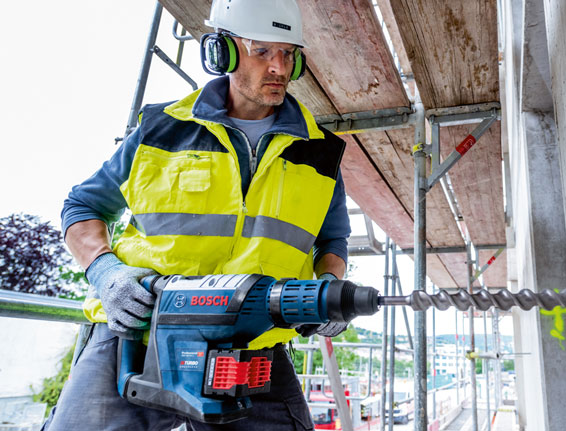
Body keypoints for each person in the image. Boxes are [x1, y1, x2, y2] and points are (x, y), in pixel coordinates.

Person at [44, 0, 350, 429]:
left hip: (252, 348)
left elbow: (332, 241)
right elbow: (82, 206)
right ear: (221, 52)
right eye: (262, 51)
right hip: (137, 337)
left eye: (288, 54)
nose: (279, 67)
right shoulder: (160, 129)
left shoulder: (320, 153)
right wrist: (106, 274)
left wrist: (328, 288)